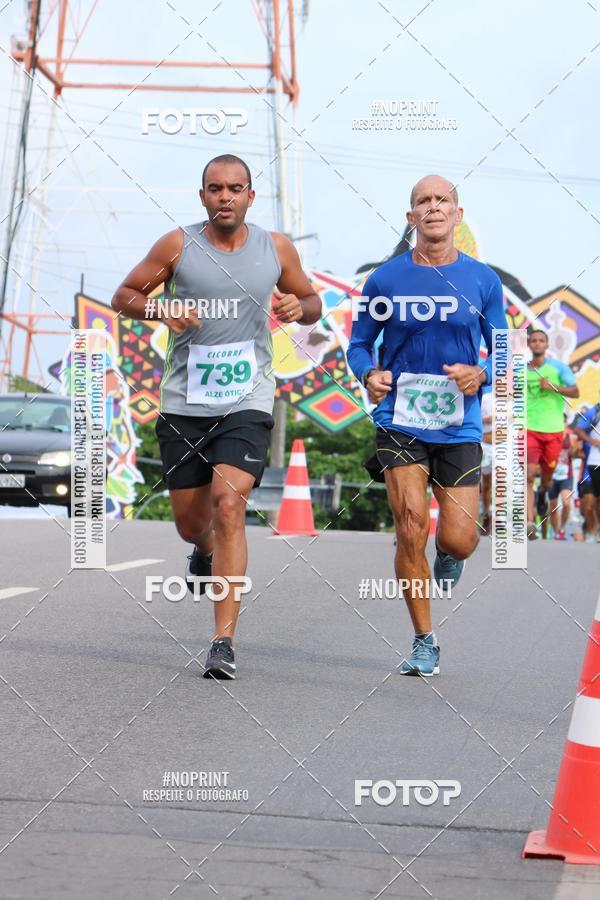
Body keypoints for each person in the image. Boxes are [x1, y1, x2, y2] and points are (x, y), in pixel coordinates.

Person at [112, 154, 321, 679]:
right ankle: (202, 551)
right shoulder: (177, 245)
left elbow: (311, 301)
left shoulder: (275, 248)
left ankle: (223, 642)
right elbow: (124, 296)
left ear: (250, 195)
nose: (225, 196)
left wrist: (299, 308)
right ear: (202, 195)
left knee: (229, 504)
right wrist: (160, 308)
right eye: (215, 188)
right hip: (184, 404)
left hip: (246, 402)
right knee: (191, 525)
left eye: (235, 188)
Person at [347, 174, 508, 677]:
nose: (433, 207)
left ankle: (449, 553)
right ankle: (423, 640)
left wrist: (481, 373)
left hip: (458, 425)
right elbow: (358, 344)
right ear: (410, 216)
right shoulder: (384, 280)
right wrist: (368, 374)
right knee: (410, 525)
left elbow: (505, 350)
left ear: (458, 215)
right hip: (400, 419)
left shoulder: (483, 280)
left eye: (443, 200)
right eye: (423, 201)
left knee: (460, 539)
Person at [525, 330, 579, 540]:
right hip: (529, 428)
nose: (537, 344)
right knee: (529, 475)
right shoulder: (521, 370)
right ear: (529, 344)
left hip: (554, 431)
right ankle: (530, 522)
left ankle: (542, 494)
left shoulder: (558, 367)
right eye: (534, 340)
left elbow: (575, 392)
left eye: (541, 341)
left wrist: (552, 387)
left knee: (547, 479)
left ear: (546, 345)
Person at [573, 401, 600, 542]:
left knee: (598, 503)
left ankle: (596, 530)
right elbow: (578, 431)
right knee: (588, 505)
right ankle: (591, 532)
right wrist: (589, 441)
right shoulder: (594, 413)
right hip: (590, 469)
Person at [548, 418, 576, 540]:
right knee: (553, 507)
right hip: (551, 475)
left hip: (566, 475)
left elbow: (575, 452)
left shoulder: (569, 435)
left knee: (566, 502)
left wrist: (573, 447)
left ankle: (562, 528)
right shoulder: (549, 433)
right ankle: (556, 532)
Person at [480, 386, 493, 535]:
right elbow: (474, 418)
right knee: (486, 484)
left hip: (504, 447)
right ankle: (486, 514)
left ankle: (500, 518)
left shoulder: (514, 402)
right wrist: (486, 420)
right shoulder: (485, 398)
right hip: (486, 446)